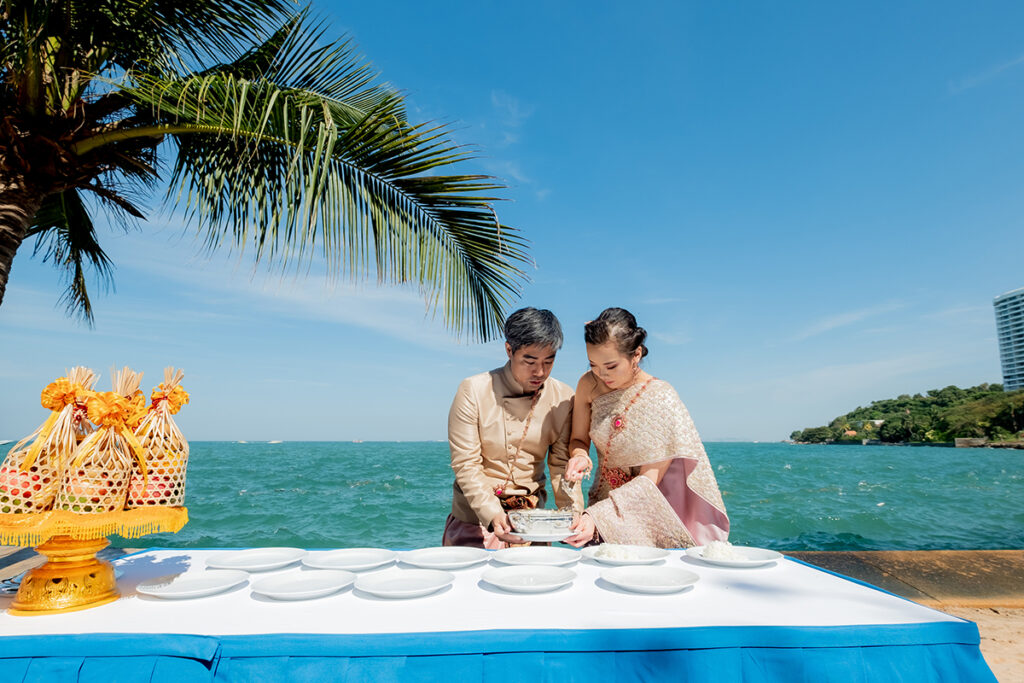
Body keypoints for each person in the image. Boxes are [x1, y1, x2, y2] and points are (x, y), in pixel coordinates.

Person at [563, 308, 729, 548]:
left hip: (645, 515)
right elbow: (579, 439)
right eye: (593, 364)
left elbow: (650, 480)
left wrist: (598, 516)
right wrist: (580, 458)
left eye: (611, 366)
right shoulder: (588, 384)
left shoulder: (660, 396)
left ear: (636, 354)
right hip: (599, 502)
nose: (601, 374)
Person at [443, 307, 582, 549]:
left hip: (533, 526)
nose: (540, 371)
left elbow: (561, 465)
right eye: (529, 361)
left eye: (549, 361)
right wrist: (493, 515)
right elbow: (466, 464)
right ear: (509, 350)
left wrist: (572, 514)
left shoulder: (563, 397)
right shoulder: (473, 390)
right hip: (476, 524)